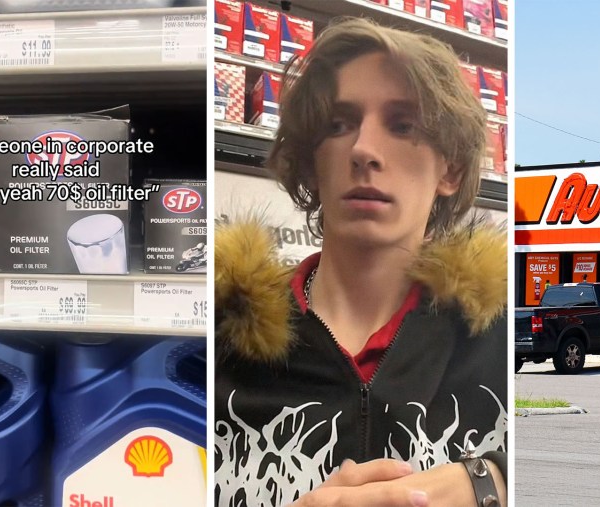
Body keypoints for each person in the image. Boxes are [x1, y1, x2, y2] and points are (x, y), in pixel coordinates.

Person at [215, 17, 507, 507]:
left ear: (450, 169)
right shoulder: (216, 340)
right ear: (311, 160)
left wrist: (494, 482)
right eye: (338, 124)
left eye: (402, 125)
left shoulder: (495, 340)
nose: (364, 150)